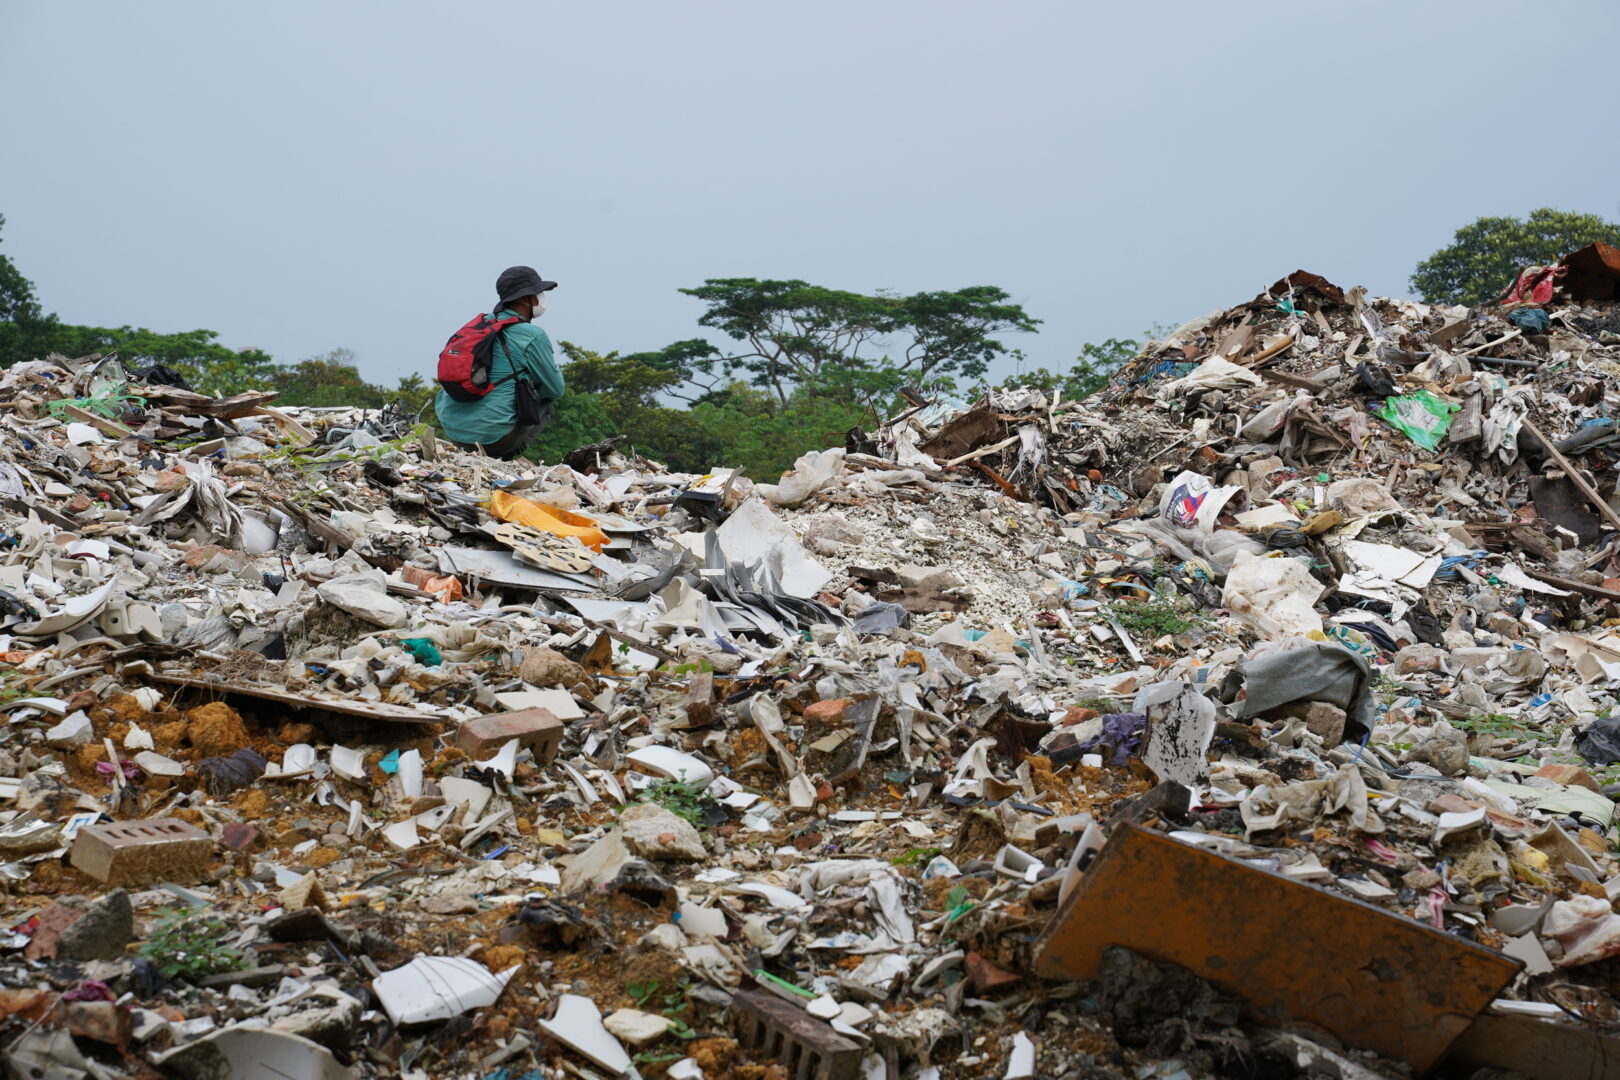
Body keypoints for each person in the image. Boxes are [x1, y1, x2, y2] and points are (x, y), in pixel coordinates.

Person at [435, 266, 564, 460]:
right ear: (523, 298)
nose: (542, 298)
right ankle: (504, 459)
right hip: (494, 439)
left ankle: (474, 449)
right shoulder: (532, 335)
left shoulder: (478, 326)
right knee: (546, 400)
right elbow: (555, 389)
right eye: (539, 293)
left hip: (454, 432)